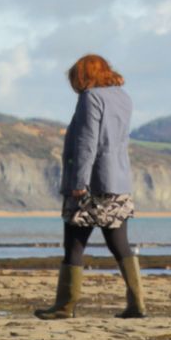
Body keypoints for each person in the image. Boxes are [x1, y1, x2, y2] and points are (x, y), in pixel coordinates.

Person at [35, 54, 144, 320]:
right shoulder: (123, 97)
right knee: (121, 245)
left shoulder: (91, 98)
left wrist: (78, 183)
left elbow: (87, 143)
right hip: (118, 182)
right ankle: (137, 304)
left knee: (73, 245)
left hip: (92, 184)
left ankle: (65, 306)